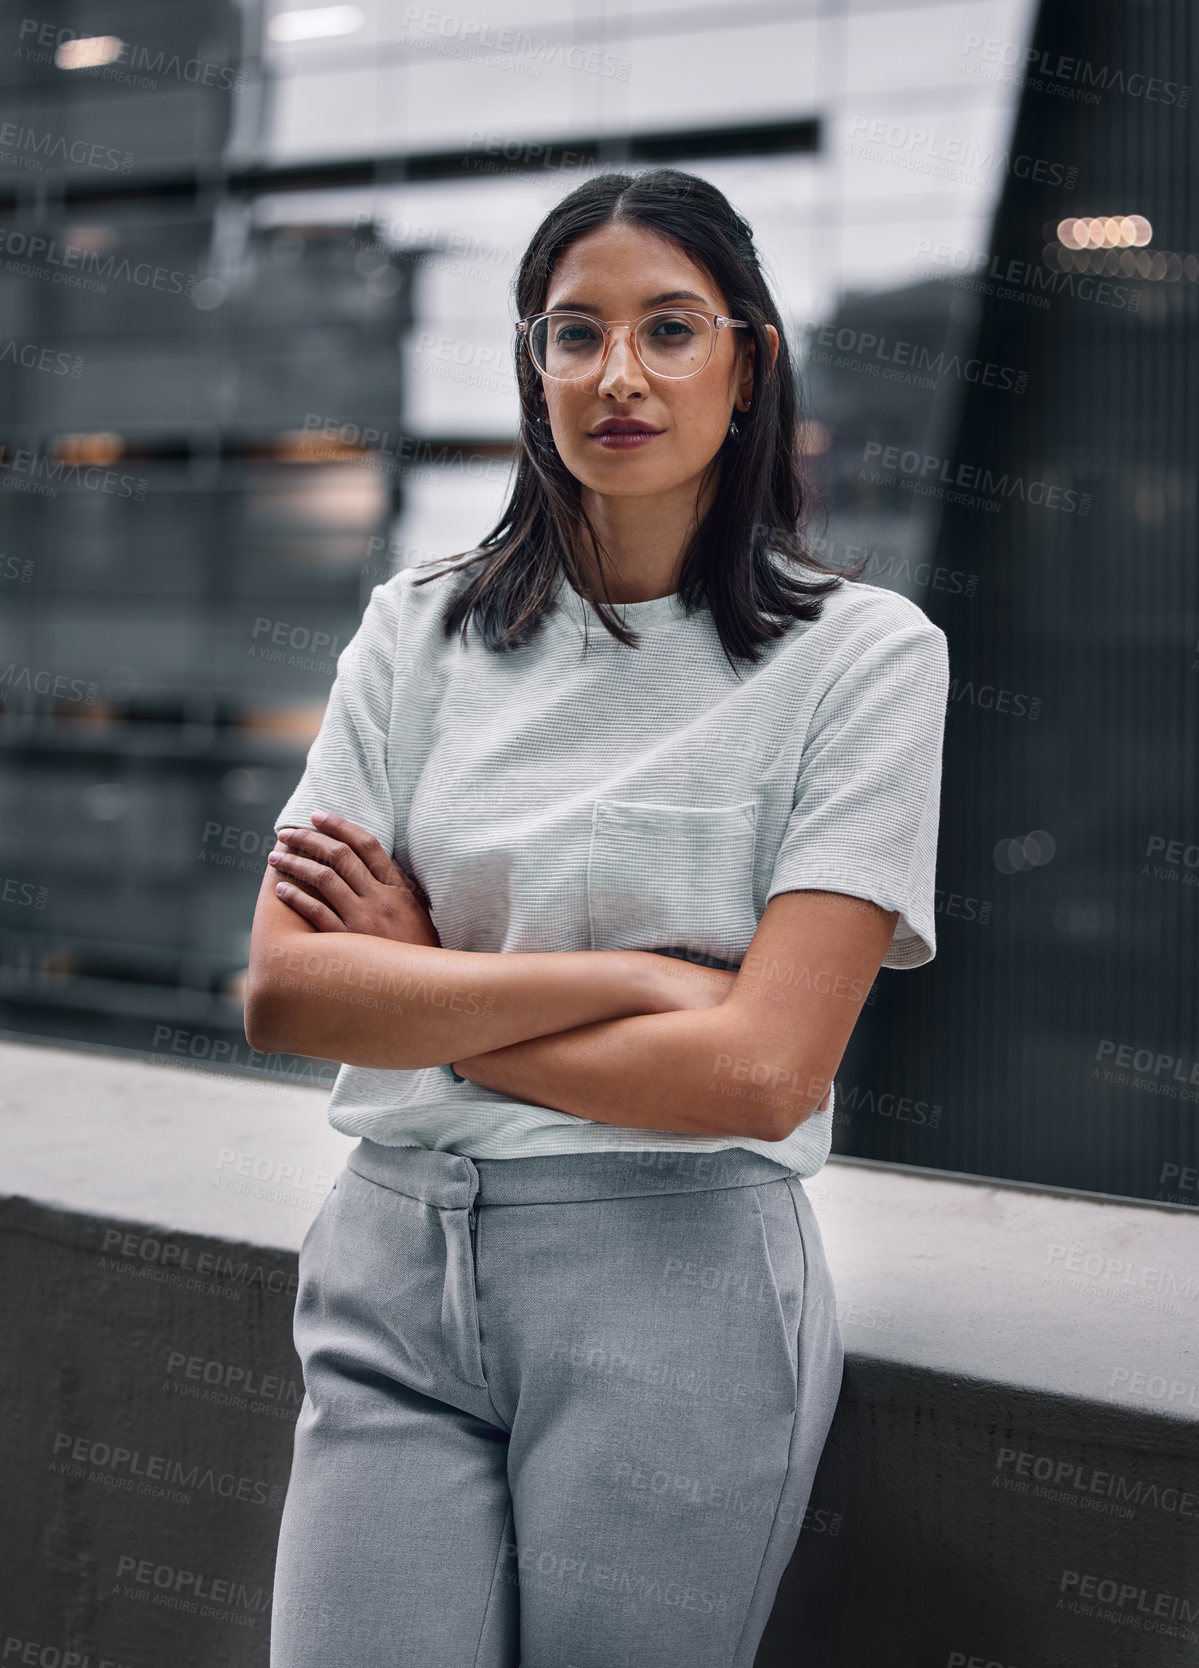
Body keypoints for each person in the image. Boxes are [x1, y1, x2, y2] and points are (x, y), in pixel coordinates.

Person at [246, 166, 949, 1668]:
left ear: (748, 362)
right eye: (574, 334)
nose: (618, 372)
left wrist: (429, 986)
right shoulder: (413, 632)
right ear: (532, 365)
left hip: (672, 1288)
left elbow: (762, 1072)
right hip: (389, 1264)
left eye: (671, 329)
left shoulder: (865, 662)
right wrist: (638, 980)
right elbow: (293, 994)